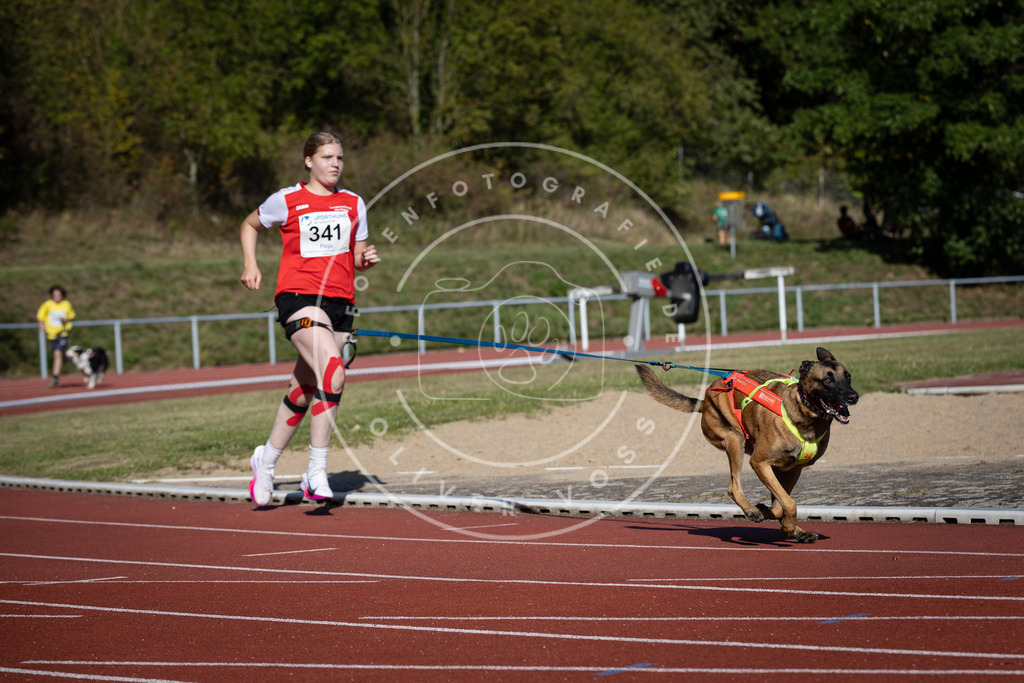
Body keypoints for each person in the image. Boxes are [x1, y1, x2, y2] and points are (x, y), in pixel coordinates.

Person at [239, 131, 380, 506]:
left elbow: (357, 253)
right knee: (333, 369)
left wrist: (365, 259)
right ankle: (316, 470)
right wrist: (251, 264)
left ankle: (265, 461)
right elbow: (249, 224)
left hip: (341, 304)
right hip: (299, 297)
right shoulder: (287, 199)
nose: (335, 164)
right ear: (309, 161)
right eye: (327, 157)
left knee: (304, 389)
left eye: (340, 158)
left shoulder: (353, 203)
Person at [36, 285, 75, 388]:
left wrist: (66, 319)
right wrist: (41, 324)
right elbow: (40, 315)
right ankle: (72, 357)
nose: (57, 296)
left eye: (59, 295)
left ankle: (54, 378)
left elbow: (71, 316)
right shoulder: (47, 304)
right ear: (52, 295)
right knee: (58, 356)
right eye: (55, 294)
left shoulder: (66, 304)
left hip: (63, 333)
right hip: (52, 334)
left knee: (57, 354)